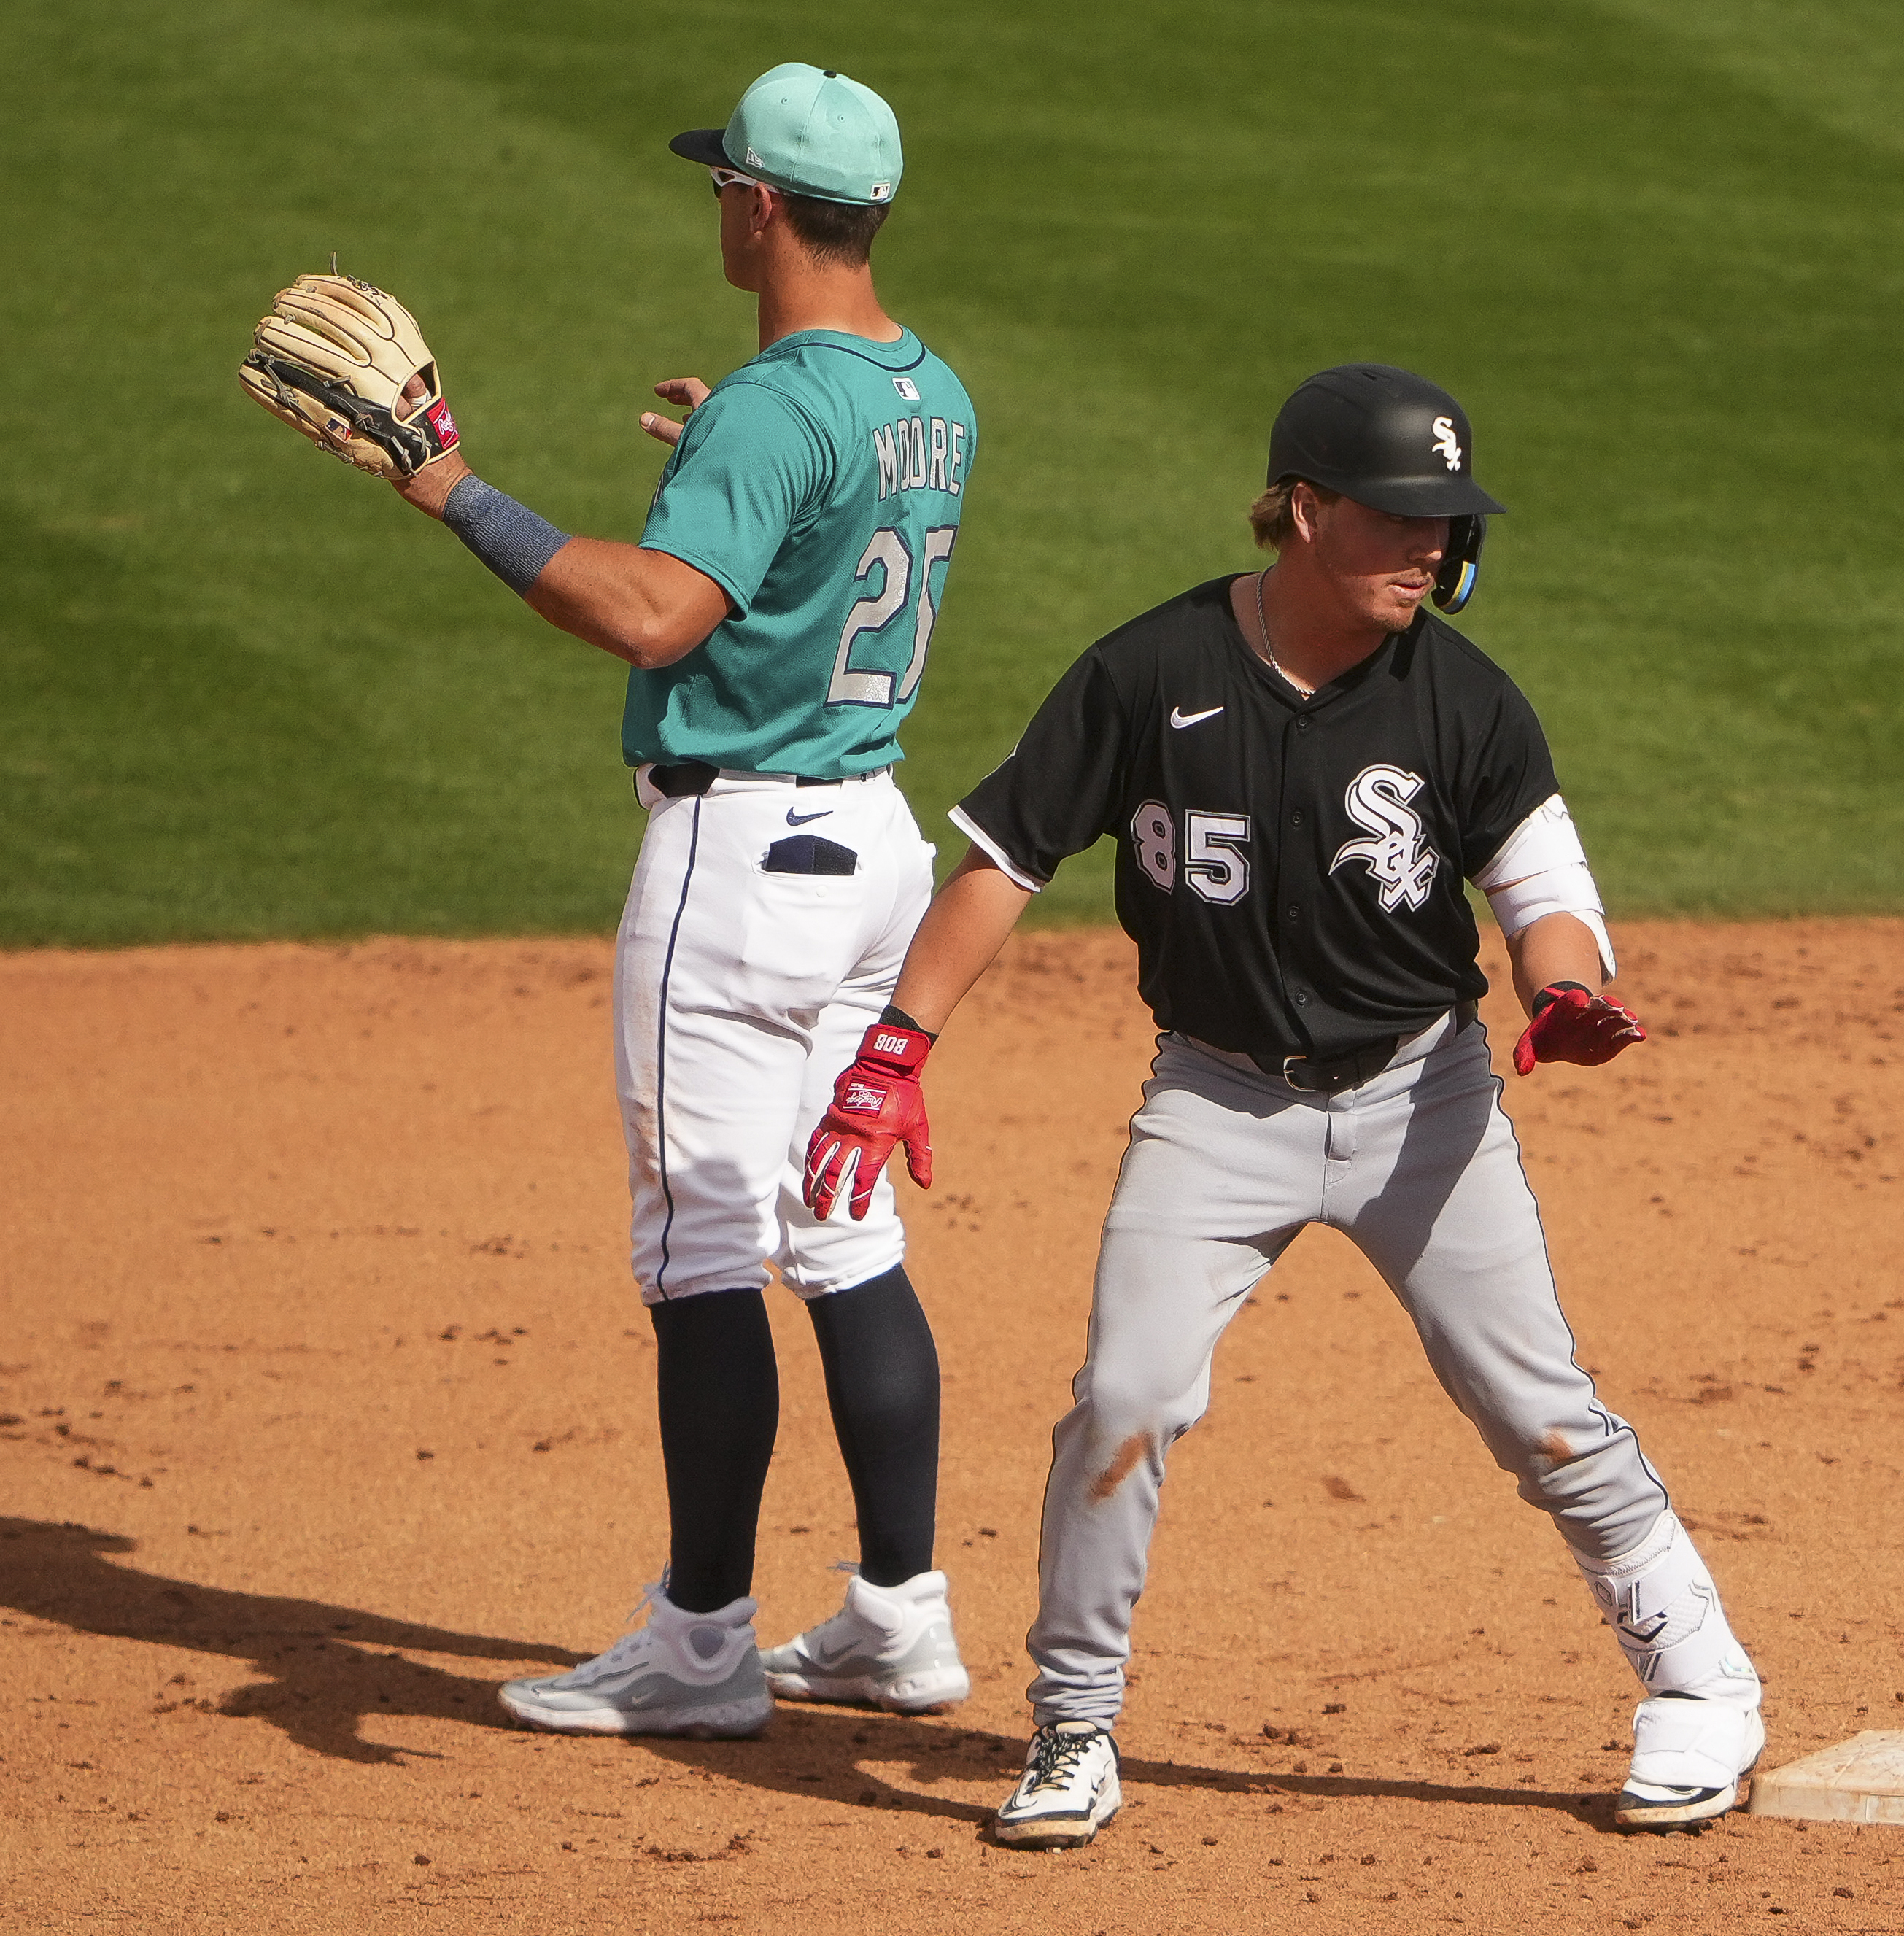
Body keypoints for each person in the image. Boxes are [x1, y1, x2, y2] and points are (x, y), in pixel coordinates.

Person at [800, 364, 1766, 1840]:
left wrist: (1563, 993)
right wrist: (892, 1051)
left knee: (1534, 1410)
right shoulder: (1148, 671)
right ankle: (1071, 1728)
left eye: (1445, 524)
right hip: (1215, 1103)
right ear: (1303, 511)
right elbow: (1003, 856)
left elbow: (1540, 887)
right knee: (1122, 1399)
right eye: (1399, 520)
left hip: (1421, 1099)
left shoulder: (1464, 698)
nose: (1430, 551)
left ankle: (1699, 1677)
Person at [246, 62, 979, 1738]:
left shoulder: (774, 413)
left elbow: (652, 616)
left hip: (736, 871)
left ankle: (700, 1649)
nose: (718, 201)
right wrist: (731, 451)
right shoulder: (922, 389)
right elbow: (818, 511)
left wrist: (444, 482)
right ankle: (897, 1617)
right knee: (844, 1232)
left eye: (727, 182)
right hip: (869, 848)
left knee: (707, 1247)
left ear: (761, 208)